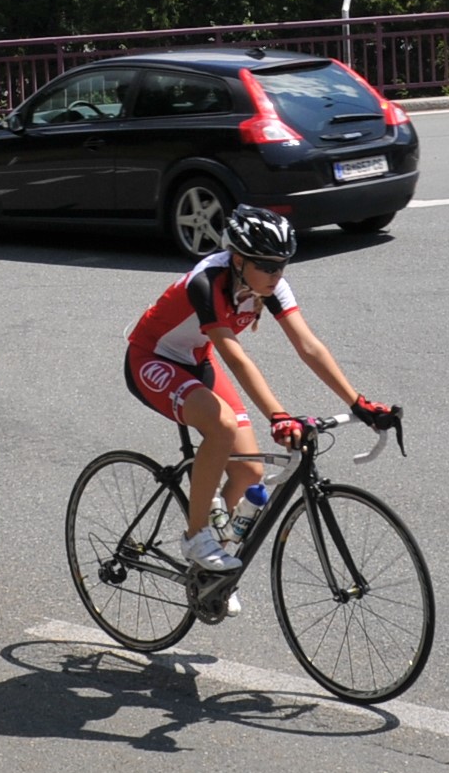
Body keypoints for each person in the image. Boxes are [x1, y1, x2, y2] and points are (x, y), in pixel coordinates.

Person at [124, 204, 399, 576]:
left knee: (249, 472)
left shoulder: (270, 286)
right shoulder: (206, 282)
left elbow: (308, 346)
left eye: (282, 265)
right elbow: (235, 358)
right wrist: (278, 416)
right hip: (151, 358)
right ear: (238, 259)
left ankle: (207, 579)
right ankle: (195, 536)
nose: (276, 275)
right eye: (267, 266)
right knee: (222, 426)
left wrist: (358, 402)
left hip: (197, 359)